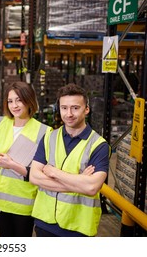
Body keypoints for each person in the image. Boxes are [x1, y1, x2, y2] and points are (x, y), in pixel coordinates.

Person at [29, 83, 111, 237]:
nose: (69, 114)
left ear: (86, 109)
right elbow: (34, 176)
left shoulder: (98, 145)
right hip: (44, 222)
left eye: (75, 108)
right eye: (64, 108)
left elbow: (92, 187)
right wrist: (79, 182)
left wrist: (54, 172)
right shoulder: (48, 138)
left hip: (78, 228)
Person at [0, 81, 51, 237]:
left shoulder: (44, 132)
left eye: (19, 100)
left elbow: (43, 172)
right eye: (10, 101)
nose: (14, 105)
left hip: (24, 204)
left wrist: (13, 165)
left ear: (29, 101)